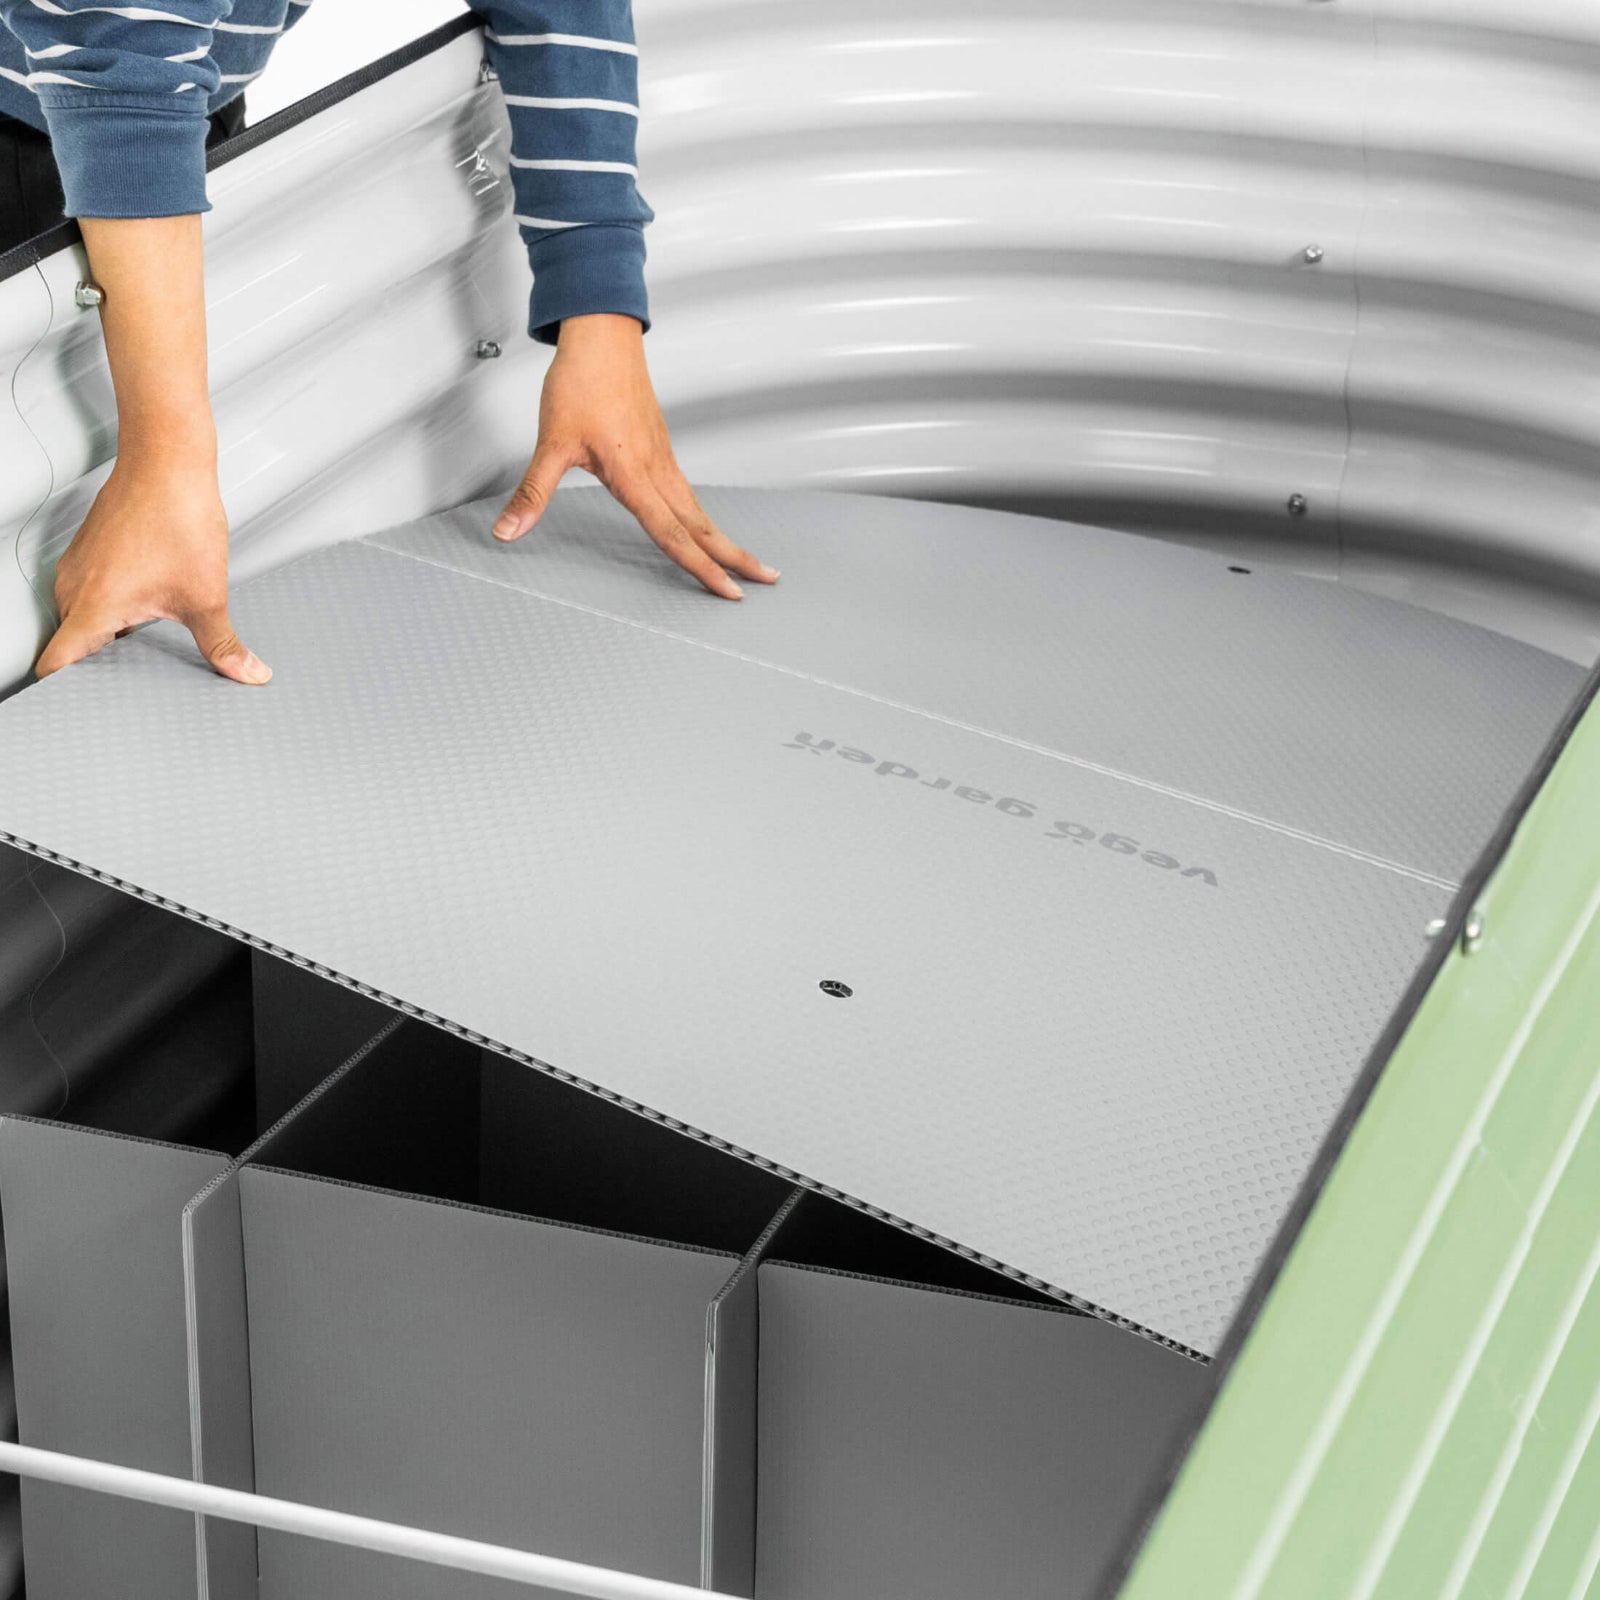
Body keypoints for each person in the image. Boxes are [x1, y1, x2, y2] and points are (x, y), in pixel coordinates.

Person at [0, 1, 778, 685]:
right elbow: (122, 50)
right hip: (66, 108)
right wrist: (165, 458)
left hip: (159, 112)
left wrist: (599, 314)